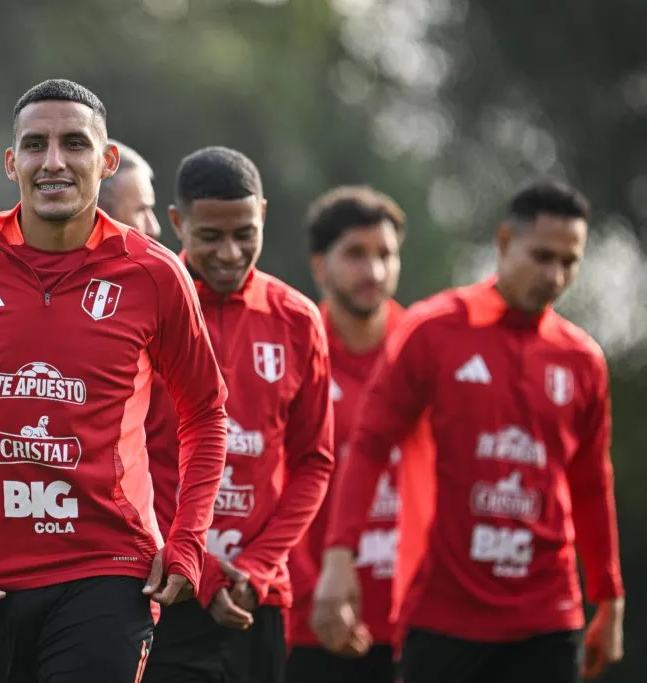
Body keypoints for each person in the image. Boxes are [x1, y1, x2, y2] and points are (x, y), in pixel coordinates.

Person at [0, 79, 230, 683]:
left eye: (74, 143)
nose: (53, 162)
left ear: (106, 161)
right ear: (10, 162)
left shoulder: (154, 274)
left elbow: (205, 412)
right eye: (35, 144)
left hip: (111, 572)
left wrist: (188, 541)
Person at [311, 179, 625, 683]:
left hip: (549, 611)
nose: (555, 274)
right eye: (542, 256)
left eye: (570, 262)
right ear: (504, 242)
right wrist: (339, 558)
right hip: (444, 610)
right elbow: (370, 445)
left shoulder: (582, 359)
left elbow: (591, 481)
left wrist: (609, 597)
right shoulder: (434, 330)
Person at [0, 137, 164, 683]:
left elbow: (198, 430)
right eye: (142, 211)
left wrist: (183, 543)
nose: (153, 229)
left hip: (120, 579)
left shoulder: (157, 292)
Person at [142, 146, 336, 683]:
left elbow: (314, 463)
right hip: (160, 588)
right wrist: (201, 571)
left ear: (265, 217)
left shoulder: (298, 320)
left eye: (245, 233)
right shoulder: (145, 308)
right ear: (178, 222)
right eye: (210, 236)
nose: (230, 252)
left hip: (257, 600)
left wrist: (254, 569)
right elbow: (116, 461)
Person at [285, 186, 422, 683]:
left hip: (419, 623)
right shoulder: (294, 355)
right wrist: (310, 592)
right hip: (311, 625)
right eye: (356, 254)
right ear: (320, 267)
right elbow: (268, 487)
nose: (375, 272)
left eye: (386, 254)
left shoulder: (424, 350)